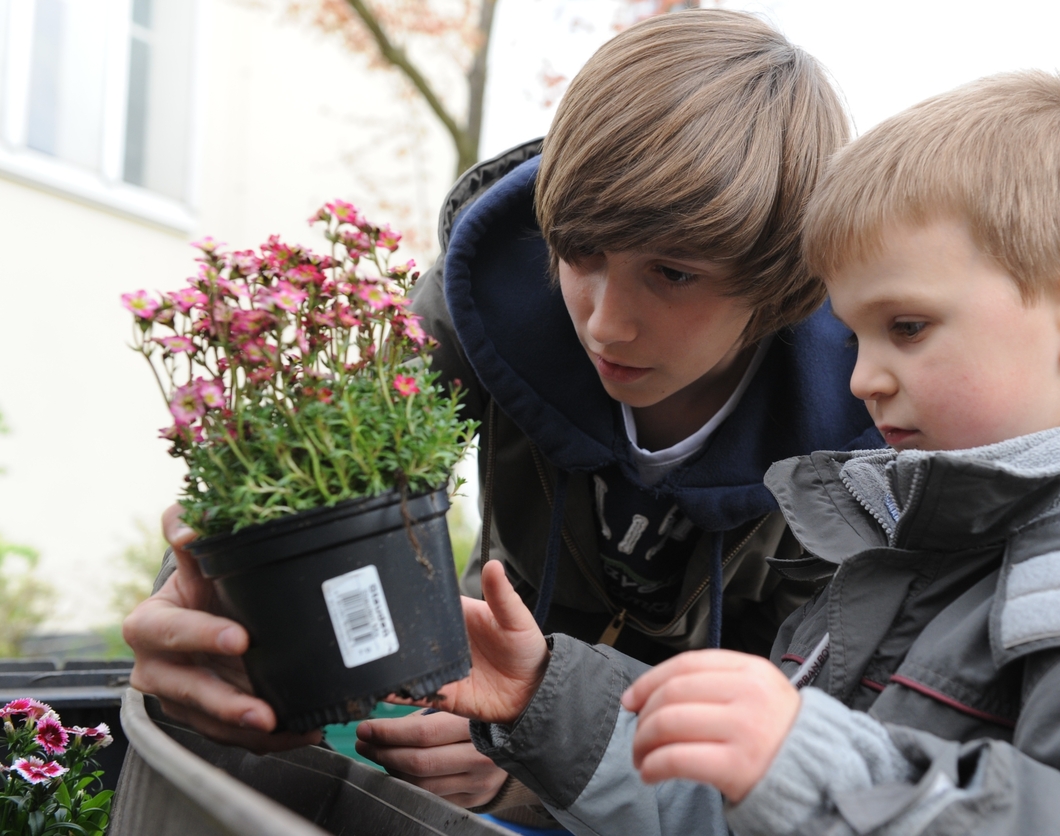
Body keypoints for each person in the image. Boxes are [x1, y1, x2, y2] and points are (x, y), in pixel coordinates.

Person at [122, 9, 879, 825]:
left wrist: (531, 767)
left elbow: (797, 745)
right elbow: (320, 488)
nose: (605, 323)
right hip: (473, 698)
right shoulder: (487, 298)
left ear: (779, 285)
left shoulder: (856, 440)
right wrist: (225, 629)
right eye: (581, 253)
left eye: (672, 274)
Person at [413, 71, 1060, 835]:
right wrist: (544, 696)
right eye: (855, 335)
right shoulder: (911, 549)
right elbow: (731, 810)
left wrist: (810, 764)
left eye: (906, 327)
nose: (862, 379)